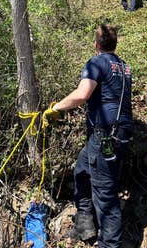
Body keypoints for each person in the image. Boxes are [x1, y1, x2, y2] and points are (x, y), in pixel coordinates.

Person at [43, 25, 133, 247]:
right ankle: (85, 221)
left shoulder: (96, 63)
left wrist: (55, 109)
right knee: (82, 170)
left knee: (106, 195)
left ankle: (109, 244)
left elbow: (82, 95)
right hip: (118, 134)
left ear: (96, 45)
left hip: (105, 136)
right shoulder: (124, 67)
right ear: (115, 44)